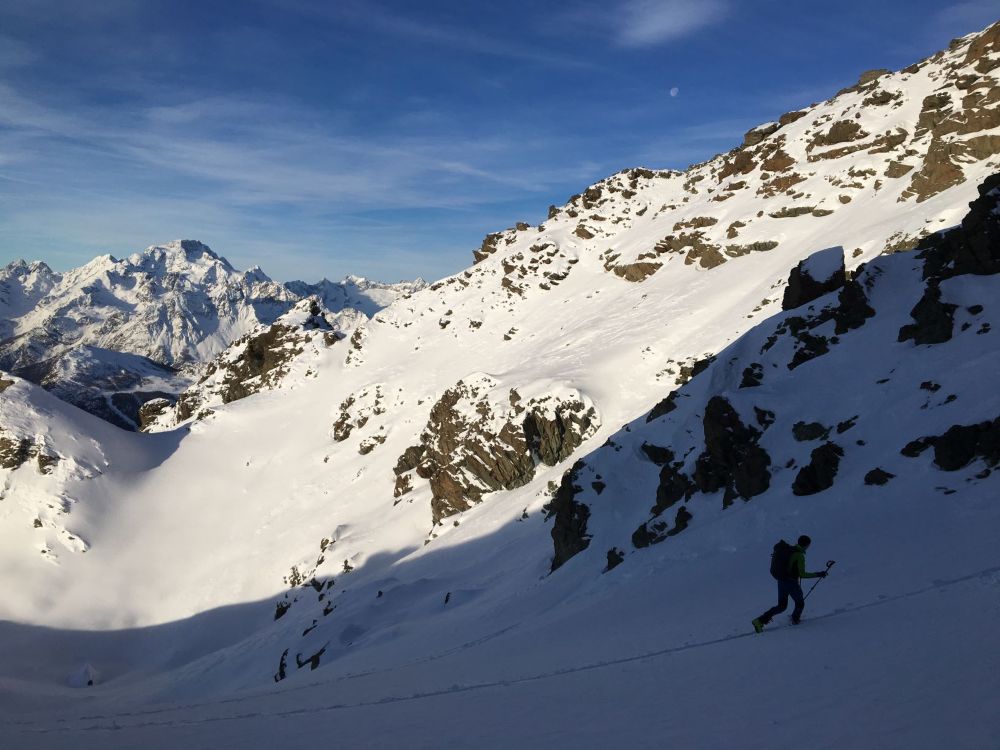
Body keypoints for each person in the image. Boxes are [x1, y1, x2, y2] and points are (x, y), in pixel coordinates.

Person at [752, 535, 828, 633]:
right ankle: (795, 621)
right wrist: (819, 574)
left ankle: (759, 621)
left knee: (782, 606)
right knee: (800, 603)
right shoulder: (799, 555)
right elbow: (802, 574)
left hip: (781, 581)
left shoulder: (789, 550)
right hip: (791, 583)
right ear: (807, 545)